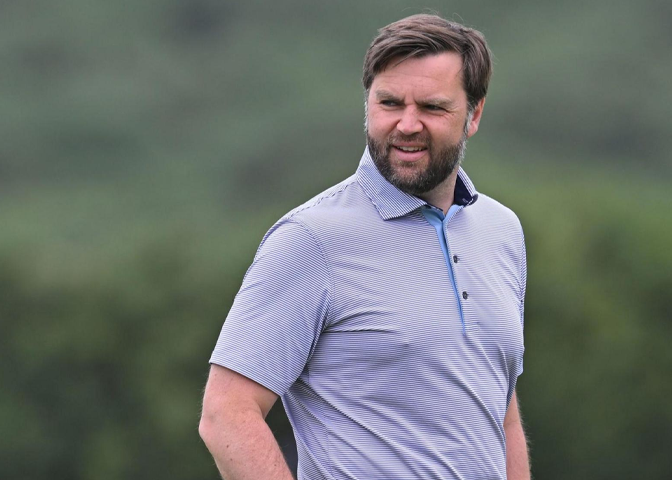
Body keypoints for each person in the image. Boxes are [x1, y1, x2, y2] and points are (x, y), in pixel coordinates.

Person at [199, 13, 530, 480]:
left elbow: (499, 411)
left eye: (432, 107)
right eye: (389, 102)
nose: (407, 124)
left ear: (473, 115)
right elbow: (226, 412)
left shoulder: (502, 231)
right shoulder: (310, 239)